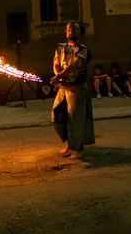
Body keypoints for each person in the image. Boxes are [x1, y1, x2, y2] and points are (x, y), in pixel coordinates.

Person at [50, 22, 95, 160]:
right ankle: (69, 143)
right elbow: (56, 64)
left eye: (74, 29)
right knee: (56, 116)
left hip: (77, 89)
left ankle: (78, 148)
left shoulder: (83, 50)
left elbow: (75, 66)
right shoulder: (60, 48)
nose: (71, 32)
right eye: (69, 29)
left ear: (80, 33)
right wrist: (58, 75)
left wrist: (59, 76)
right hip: (63, 88)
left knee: (75, 119)